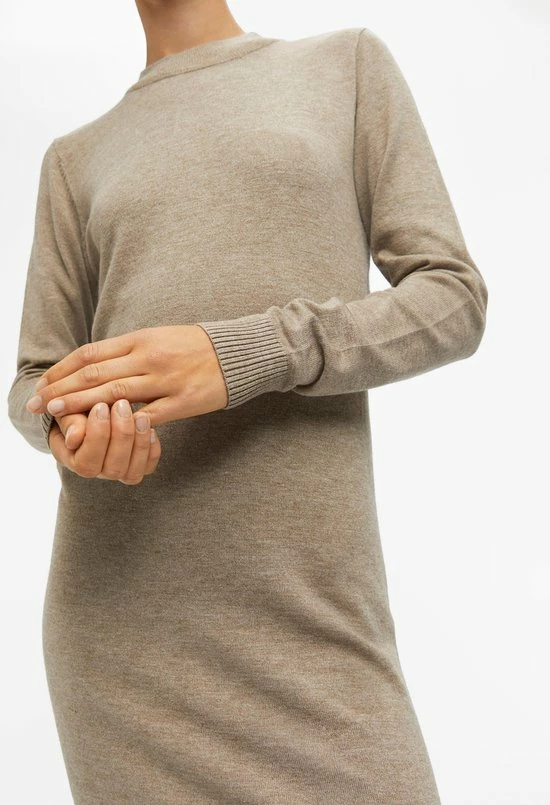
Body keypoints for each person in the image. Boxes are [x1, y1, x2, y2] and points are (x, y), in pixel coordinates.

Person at [7, 0, 488, 802]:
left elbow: (453, 299)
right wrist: (71, 427)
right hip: (122, 633)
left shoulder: (346, 66)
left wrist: (246, 353)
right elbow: (36, 378)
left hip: (315, 611)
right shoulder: (73, 158)